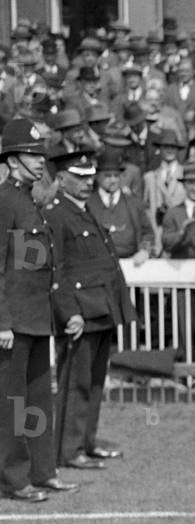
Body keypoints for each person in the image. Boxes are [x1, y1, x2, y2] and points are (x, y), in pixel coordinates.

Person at [0, 119, 78, 501]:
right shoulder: (4, 201)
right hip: (12, 322)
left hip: (35, 317)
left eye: (39, 154)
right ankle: (15, 479)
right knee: (13, 405)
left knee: (37, 401)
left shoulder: (28, 200)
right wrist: (2, 321)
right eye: (30, 155)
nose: (38, 161)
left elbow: (37, 265)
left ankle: (43, 470)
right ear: (12, 162)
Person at [46, 149, 137, 470]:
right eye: (79, 177)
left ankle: (85, 441)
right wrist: (68, 312)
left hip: (101, 306)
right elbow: (56, 270)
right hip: (81, 311)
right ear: (60, 179)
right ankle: (69, 450)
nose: (87, 183)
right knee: (75, 382)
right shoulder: (56, 214)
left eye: (89, 177)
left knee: (96, 381)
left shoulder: (85, 210)